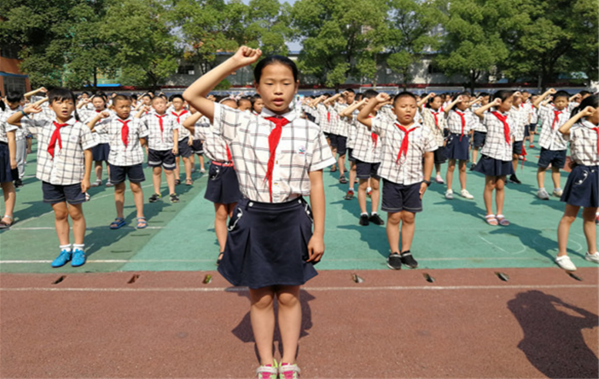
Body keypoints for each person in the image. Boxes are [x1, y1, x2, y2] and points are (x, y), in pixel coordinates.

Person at [183, 46, 334, 379]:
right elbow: (191, 94)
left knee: (291, 295)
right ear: (256, 87)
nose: (277, 90)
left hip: (292, 216)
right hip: (253, 217)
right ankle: (267, 361)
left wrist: (319, 233)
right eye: (268, 83)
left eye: (285, 83)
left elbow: (318, 185)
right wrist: (234, 62)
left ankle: (290, 359)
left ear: (297, 86)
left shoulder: (309, 130)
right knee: (261, 297)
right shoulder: (239, 122)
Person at [8, 89, 97, 268]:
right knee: (59, 213)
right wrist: (26, 110)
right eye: (59, 102)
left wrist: (86, 177)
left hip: (73, 176)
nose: (65, 106)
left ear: (74, 105)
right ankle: (65, 249)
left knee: (75, 213)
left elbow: (88, 152)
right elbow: (10, 121)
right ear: (50, 106)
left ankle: (78, 248)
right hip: (49, 176)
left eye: (69, 102)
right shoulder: (43, 124)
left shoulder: (80, 127)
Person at [357, 91, 437, 270]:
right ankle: (394, 252)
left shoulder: (423, 130)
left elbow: (429, 155)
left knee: (409, 216)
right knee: (394, 217)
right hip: (392, 179)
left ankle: (406, 251)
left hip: (414, 180)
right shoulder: (386, 126)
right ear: (393, 110)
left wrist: (426, 180)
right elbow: (362, 117)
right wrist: (375, 101)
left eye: (412, 107)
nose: (408, 110)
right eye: (403, 106)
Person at [183, 106, 241, 265]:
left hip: (238, 170)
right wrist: (204, 110)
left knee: (236, 214)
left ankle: (238, 249)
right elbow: (187, 124)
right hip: (220, 170)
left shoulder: (240, 128)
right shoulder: (208, 129)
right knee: (221, 213)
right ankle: (224, 249)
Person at [87, 95, 149, 229]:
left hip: (134, 159)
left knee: (136, 187)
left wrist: (135, 148)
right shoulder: (108, 121)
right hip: (116, 160)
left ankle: (140, 215)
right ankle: (120, 216)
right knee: (119, 189)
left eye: (128, 106)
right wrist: (98, 117)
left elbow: (143, 138)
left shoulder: (137, 121)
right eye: (121, 107)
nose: (125, 109)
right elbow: (87, 129)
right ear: (113, 108)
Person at [554, 95, 599, 271]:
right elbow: (562, 130)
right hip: (582, 172)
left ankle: (592, 251)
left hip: (597, 172)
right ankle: (562, 254)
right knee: (570, 216)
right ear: (591, 110)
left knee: (590, 215)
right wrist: (580, 114)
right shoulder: (578, 128)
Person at [472, 91, 519, 226]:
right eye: (509, 102)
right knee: (490, 184)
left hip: (505, 154)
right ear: (500, 102)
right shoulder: (490, 116)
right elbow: (477, 112)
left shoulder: (510, 117)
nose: (511, 104)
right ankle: (489, 213)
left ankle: (499, 213)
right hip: (491, 154)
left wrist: (512, 151)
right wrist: (492, 103)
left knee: (500, 185)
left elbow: (511, 135)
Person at [343, 90, 384, 225]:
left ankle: (374, 212)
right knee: (363, 184)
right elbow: (345, 114)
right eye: (373, 101)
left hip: (378, 155)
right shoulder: (358, 116)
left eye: (376, 102)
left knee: (376, 185)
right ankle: (364, 213)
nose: (375, 105)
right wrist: (361, 103)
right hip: (363, 155)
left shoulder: (383, 117)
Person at [533, 89, 571, 200]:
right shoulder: (548, 111)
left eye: (563, 101)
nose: (560, 104)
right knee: (542, 167)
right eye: (558, 101)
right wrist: (546, 93)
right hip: (547, 144)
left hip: (561, 145)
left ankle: (557, 189)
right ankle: (541, 189)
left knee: (557, 168)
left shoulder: (568, 115)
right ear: (553, 102)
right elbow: (535, 104)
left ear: (567, 102)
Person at [142, 95, 180, 203]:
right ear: (152, 106)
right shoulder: (148, 117)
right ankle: (157, 192)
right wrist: (146, 145)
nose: (160, 105)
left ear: (166, 104)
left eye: (162, 102)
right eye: (157, 103)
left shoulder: (171, 117)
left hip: (168, 147)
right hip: (154, 147)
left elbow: (175, 131)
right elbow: (139, 126)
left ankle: (172, 192)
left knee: (169, 170)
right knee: (156, 170)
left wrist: (175, 145)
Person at [444, 94, 475, 200]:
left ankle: (463, 189)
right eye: (464, 102)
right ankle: (449, 189)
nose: (467, 104)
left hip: (464, 139)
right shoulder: (451, 112)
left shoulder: (469, 113)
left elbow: (471, 127)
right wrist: (455, 100)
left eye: (468, 102)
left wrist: (470, 139)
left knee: (462, 166)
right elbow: (445, 110)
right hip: (454, 138)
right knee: (451, 166)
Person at [79, 93, 113, 187]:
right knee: (97, 161)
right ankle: (98, 179)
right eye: (95, 102)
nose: (97, 104)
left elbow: (106, 127)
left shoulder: (110, 113)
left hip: (107, 140)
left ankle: (111, 179)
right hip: (94, 140)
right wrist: (82, 102)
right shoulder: (90, 113)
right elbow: (78, 114)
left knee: (108, 161)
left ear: (105, 101)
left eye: (100, 102)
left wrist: (93, 129)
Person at [421, 93, 447, 184]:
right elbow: (418, 105)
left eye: (440, 102)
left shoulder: (442, 113)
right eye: (437, 101)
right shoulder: (425, 111)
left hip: (438, 138)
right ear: (431, 103)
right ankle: (424, 174)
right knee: (426, 158)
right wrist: (428, 97)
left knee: (438, 159)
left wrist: (445, 138)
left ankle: (438, 175)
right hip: (427, 138)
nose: (439, 103)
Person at [0, 102, 18, 229]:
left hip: (2, 149)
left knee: (6, 183)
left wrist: (12, 158)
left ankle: (8, 215)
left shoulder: (5, 115)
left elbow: (11, 138)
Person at [169, 94, 193, 186]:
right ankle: (177, 177)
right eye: (174, 102)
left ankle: (188, 177)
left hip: (184, 137)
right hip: (173, 139)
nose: (176, 104)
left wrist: (191, 137)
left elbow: (191, 126)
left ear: (183, 103)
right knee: (176, 159)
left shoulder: (187, 113)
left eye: (178, 102)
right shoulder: (169, 113)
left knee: (185, 158)